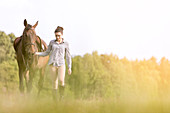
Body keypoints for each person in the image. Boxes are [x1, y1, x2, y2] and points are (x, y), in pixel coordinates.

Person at [35, 26, 72, 100]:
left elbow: (68, 56)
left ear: (62, 35)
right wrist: (37, 53)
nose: (57, 37)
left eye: (59, 35)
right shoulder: (52, 42)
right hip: (52, 64)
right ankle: (55, 101)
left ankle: (61, 97)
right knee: (54, 83)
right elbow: (47, 52)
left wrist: (69, 67)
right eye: (56, 35)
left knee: (61, 80)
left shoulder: (66, 44)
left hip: (61, 64)